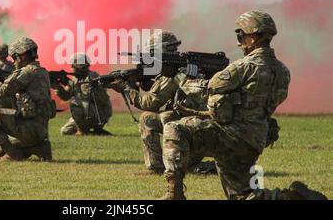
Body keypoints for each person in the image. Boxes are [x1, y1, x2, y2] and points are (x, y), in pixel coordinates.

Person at [160, 11, 327, 200]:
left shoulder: (244, 66)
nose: (239, 42)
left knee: (175, 128)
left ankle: (174, 194)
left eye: (241, 36)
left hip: (231, 136)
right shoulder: (283, 71)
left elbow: (208, 89)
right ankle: (292, 198)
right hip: (255, 141)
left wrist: (180, 77)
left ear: (254, 37)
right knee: (242, 196)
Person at [108, 31, 210, 174]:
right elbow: (159, 92)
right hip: (200, 126)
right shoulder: (182, 69)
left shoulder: (175, 73)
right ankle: (166, 166)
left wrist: (125, 88)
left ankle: (159, 167)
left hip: (197, 130)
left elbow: (149, 103)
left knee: (149, 118)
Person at [0, 37, 55, 161]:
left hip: (28, 129)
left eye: (14, 57)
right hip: (41, 131)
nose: (13, 61)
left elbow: (2, 91)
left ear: (22, 56)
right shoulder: (42, 72)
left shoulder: (25, 73)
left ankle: (13, 152)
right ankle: (39, 147)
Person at [53, 53, 112, 136]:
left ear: (78, 67)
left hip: (99, 113)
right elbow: (66, 97)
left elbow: (87, 96)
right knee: (65, 131)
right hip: (86, 112)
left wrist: (70, 84)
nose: (71, 68)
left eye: (73, 66)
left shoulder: (92, 77)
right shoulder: (76, 78)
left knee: (75, 103)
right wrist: (58, 87)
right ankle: (94, 132)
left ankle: (83, 131)